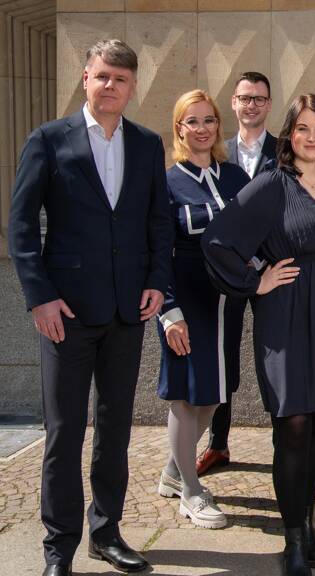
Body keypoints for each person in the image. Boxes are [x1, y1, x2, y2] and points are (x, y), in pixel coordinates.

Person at [7, 39, 173, 576]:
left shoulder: (146, 144)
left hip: (128, 311)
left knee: (115, 428)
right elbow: (21, 226)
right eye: (102, 76)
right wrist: (40, 297)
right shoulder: (48, 140)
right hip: (66, 314)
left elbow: (158, 221)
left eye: (121, 79)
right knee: (64, 432)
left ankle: (106, 532)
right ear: (85, 78)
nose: (110, 86)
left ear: (132, 86)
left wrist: (157, 281)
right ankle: (58, 549)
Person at [202, 94, 315, 576]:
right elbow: (217, 240)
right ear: (289, 136)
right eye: (302, 128)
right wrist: (256, 281)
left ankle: (308, 524)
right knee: (292, 424)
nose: (311, 137)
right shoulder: (271, 185)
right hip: (286, 318)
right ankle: (292, 539)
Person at [154, 89, 251, 530]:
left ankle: (173, 470)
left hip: (226, 304)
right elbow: (156, 251)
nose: (201, 128)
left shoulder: (234, 177)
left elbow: (255, 231)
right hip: (185, 301)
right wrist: (168, 311)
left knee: (216, 391)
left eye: (208, 120)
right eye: (192, 121)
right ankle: (190, 492)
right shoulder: (167, 182)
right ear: (179, 128)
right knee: (186, 393)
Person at [197, 70, 278, 476]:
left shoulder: (284, 152)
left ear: (269, 105)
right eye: (245, 98)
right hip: (227, 276)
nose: (251, 105)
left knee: (276, 356)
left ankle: (284, 441)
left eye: (259, 98)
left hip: (271, 272)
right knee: (223, 355)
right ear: (233, 103)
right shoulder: (217, 151)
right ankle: (218, 442)